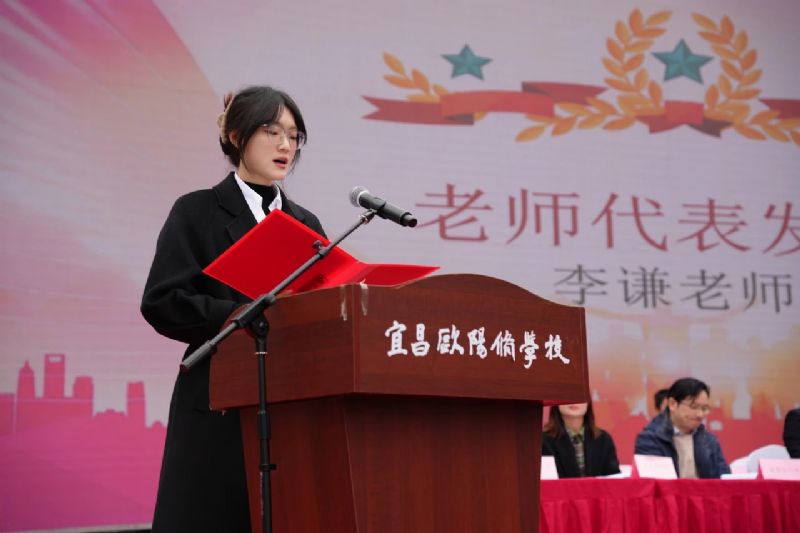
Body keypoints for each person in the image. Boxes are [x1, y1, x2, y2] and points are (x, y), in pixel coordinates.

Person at [140, 86, 326, 532]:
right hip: (217, 403)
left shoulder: (306, 225)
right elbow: (162, 300)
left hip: (289, 406)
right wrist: (239, 314)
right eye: (272, 131)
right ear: (238, 136)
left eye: (294, 136)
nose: (286, 145)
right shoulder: (197, 211)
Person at [634, 377, 730, 478]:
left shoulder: (709, 440)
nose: (700, 414)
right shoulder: (650, 439)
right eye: (694, 407)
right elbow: (656, 483)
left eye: (704, 408)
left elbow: (724, 480)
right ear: (672, 404)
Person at [541, 400, 621, 478]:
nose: (574, 401)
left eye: (580, 396)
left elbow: (614, 478)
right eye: (567, 395)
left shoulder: (604, 439)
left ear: (588, 403)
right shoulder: (543, 440)